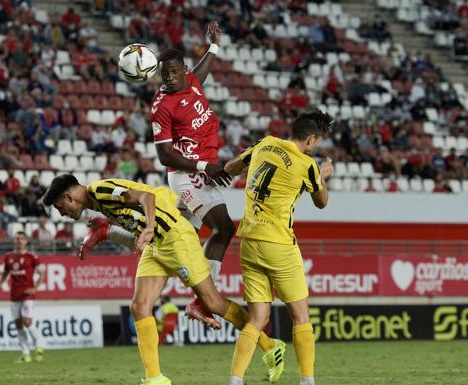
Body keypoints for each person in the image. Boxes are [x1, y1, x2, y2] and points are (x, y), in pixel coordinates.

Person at [40, 175, 282, 385]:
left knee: (212, 303)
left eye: (60, 208)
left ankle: (270, 346)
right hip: (156, 246)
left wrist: (148, 227)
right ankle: (155, 378)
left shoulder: (100, 190)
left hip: (175, 239)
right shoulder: (97, 202)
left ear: (67, 198)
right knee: (139, 307)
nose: (63, 213)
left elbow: (146, 197)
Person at [79, 21, 236, 331]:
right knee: (224, 228)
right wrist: (206, 168)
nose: (170, 77)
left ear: (183, 70)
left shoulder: (189, 82)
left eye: (175, 72)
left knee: (167, 237)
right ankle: (203, 300)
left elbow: (199, 75)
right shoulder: (161, 107)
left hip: (199, 171)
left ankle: (108, 231)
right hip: (187, 176)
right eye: (165, 74)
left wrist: (214, 47)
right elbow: (164, 156)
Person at [223, 109, 335, 385]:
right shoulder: (306, 163)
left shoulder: (266, 142)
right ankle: (307, 380)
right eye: (317, 141)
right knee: (300, 315)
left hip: (248, 240)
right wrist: (322, 176)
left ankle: (236, 380)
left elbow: (230, 168)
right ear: (310, 140)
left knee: (258, 317)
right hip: (279, 243)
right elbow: (322, 202)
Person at [0, 232, 46, 363]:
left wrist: (35, 288)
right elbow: (5, 273)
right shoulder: (8, 257)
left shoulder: (32, 257)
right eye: (17, 239)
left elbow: (42, 273)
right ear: (14, 241)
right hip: (14, 295)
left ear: (26, 241)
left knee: (27, 321)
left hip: (28, 294)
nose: (19, 241)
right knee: (18, 325)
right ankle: (25, 354)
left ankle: (39, 346)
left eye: (22, 239)